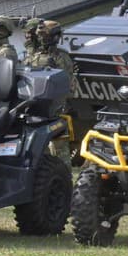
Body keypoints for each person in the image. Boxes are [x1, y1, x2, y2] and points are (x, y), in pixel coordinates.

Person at [29, 20, 78, 164]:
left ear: (54, 36)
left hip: (56, 109)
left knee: (59, 151)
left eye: (44, 34)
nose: (40, 37)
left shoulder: (61, 57)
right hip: (35, 109)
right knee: (39, 151)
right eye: (39, 35)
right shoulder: (34, 55)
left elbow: (68, 86)